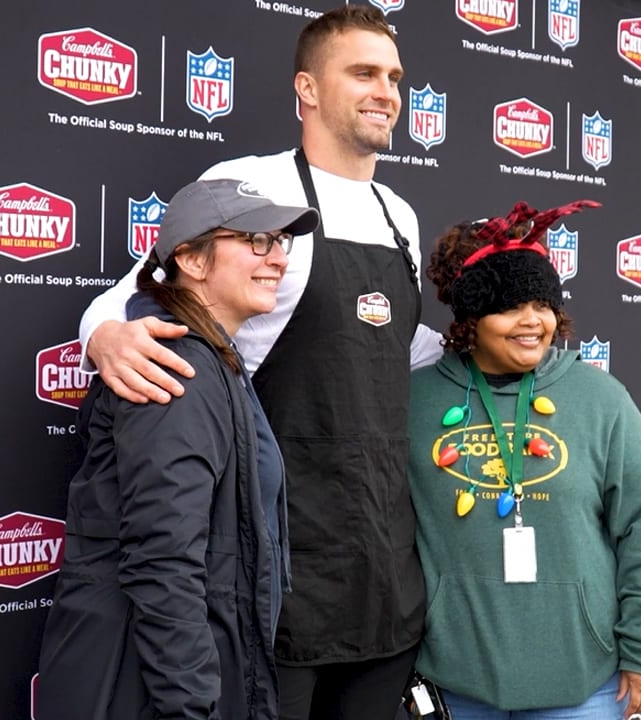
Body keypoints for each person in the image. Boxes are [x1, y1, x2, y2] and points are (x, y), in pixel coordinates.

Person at [77, 7, 443, 719]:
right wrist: (103, 338)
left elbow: (395, 349)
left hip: (384, 574)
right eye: (363, 72)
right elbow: (134, 298)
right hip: (279, 577)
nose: (386, 91)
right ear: (306, 88)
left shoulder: (398, 212)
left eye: (394, 76)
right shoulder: (253, 187)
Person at [36, 179, 319, 720]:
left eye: (282, 241)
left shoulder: (211, 355)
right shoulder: (175, 365)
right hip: (145, 686)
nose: (278, 258)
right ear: (190, 257)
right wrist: (192, 706)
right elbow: (163, 559)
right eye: (257, 239)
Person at [406, 202, 641, 720]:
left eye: (542, 303)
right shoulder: (413, 402)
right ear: (471, 317)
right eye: (510, 306)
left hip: (583, 687)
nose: (532, 321)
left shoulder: (601, 400)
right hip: (454, 682)